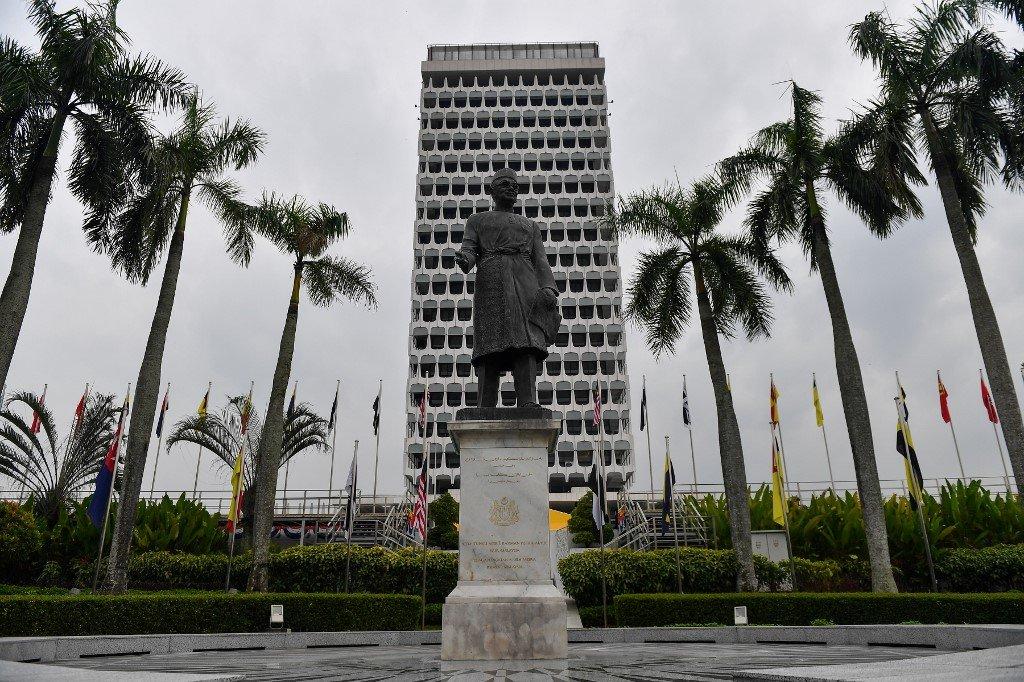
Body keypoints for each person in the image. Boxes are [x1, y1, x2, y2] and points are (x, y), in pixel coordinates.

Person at [455, 168, 560, 408]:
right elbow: (469, 250)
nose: (510, 188)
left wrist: (548, 289)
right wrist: (465, 260)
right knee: (489, 341)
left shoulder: (530, 226)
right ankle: (485, 404)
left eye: (514, 185)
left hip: (525, 282)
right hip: (490, 280)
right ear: (491, 190)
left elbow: (541, 260)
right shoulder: (477, 221)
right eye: (504, 184)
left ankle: (527, 400)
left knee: (526, 341)